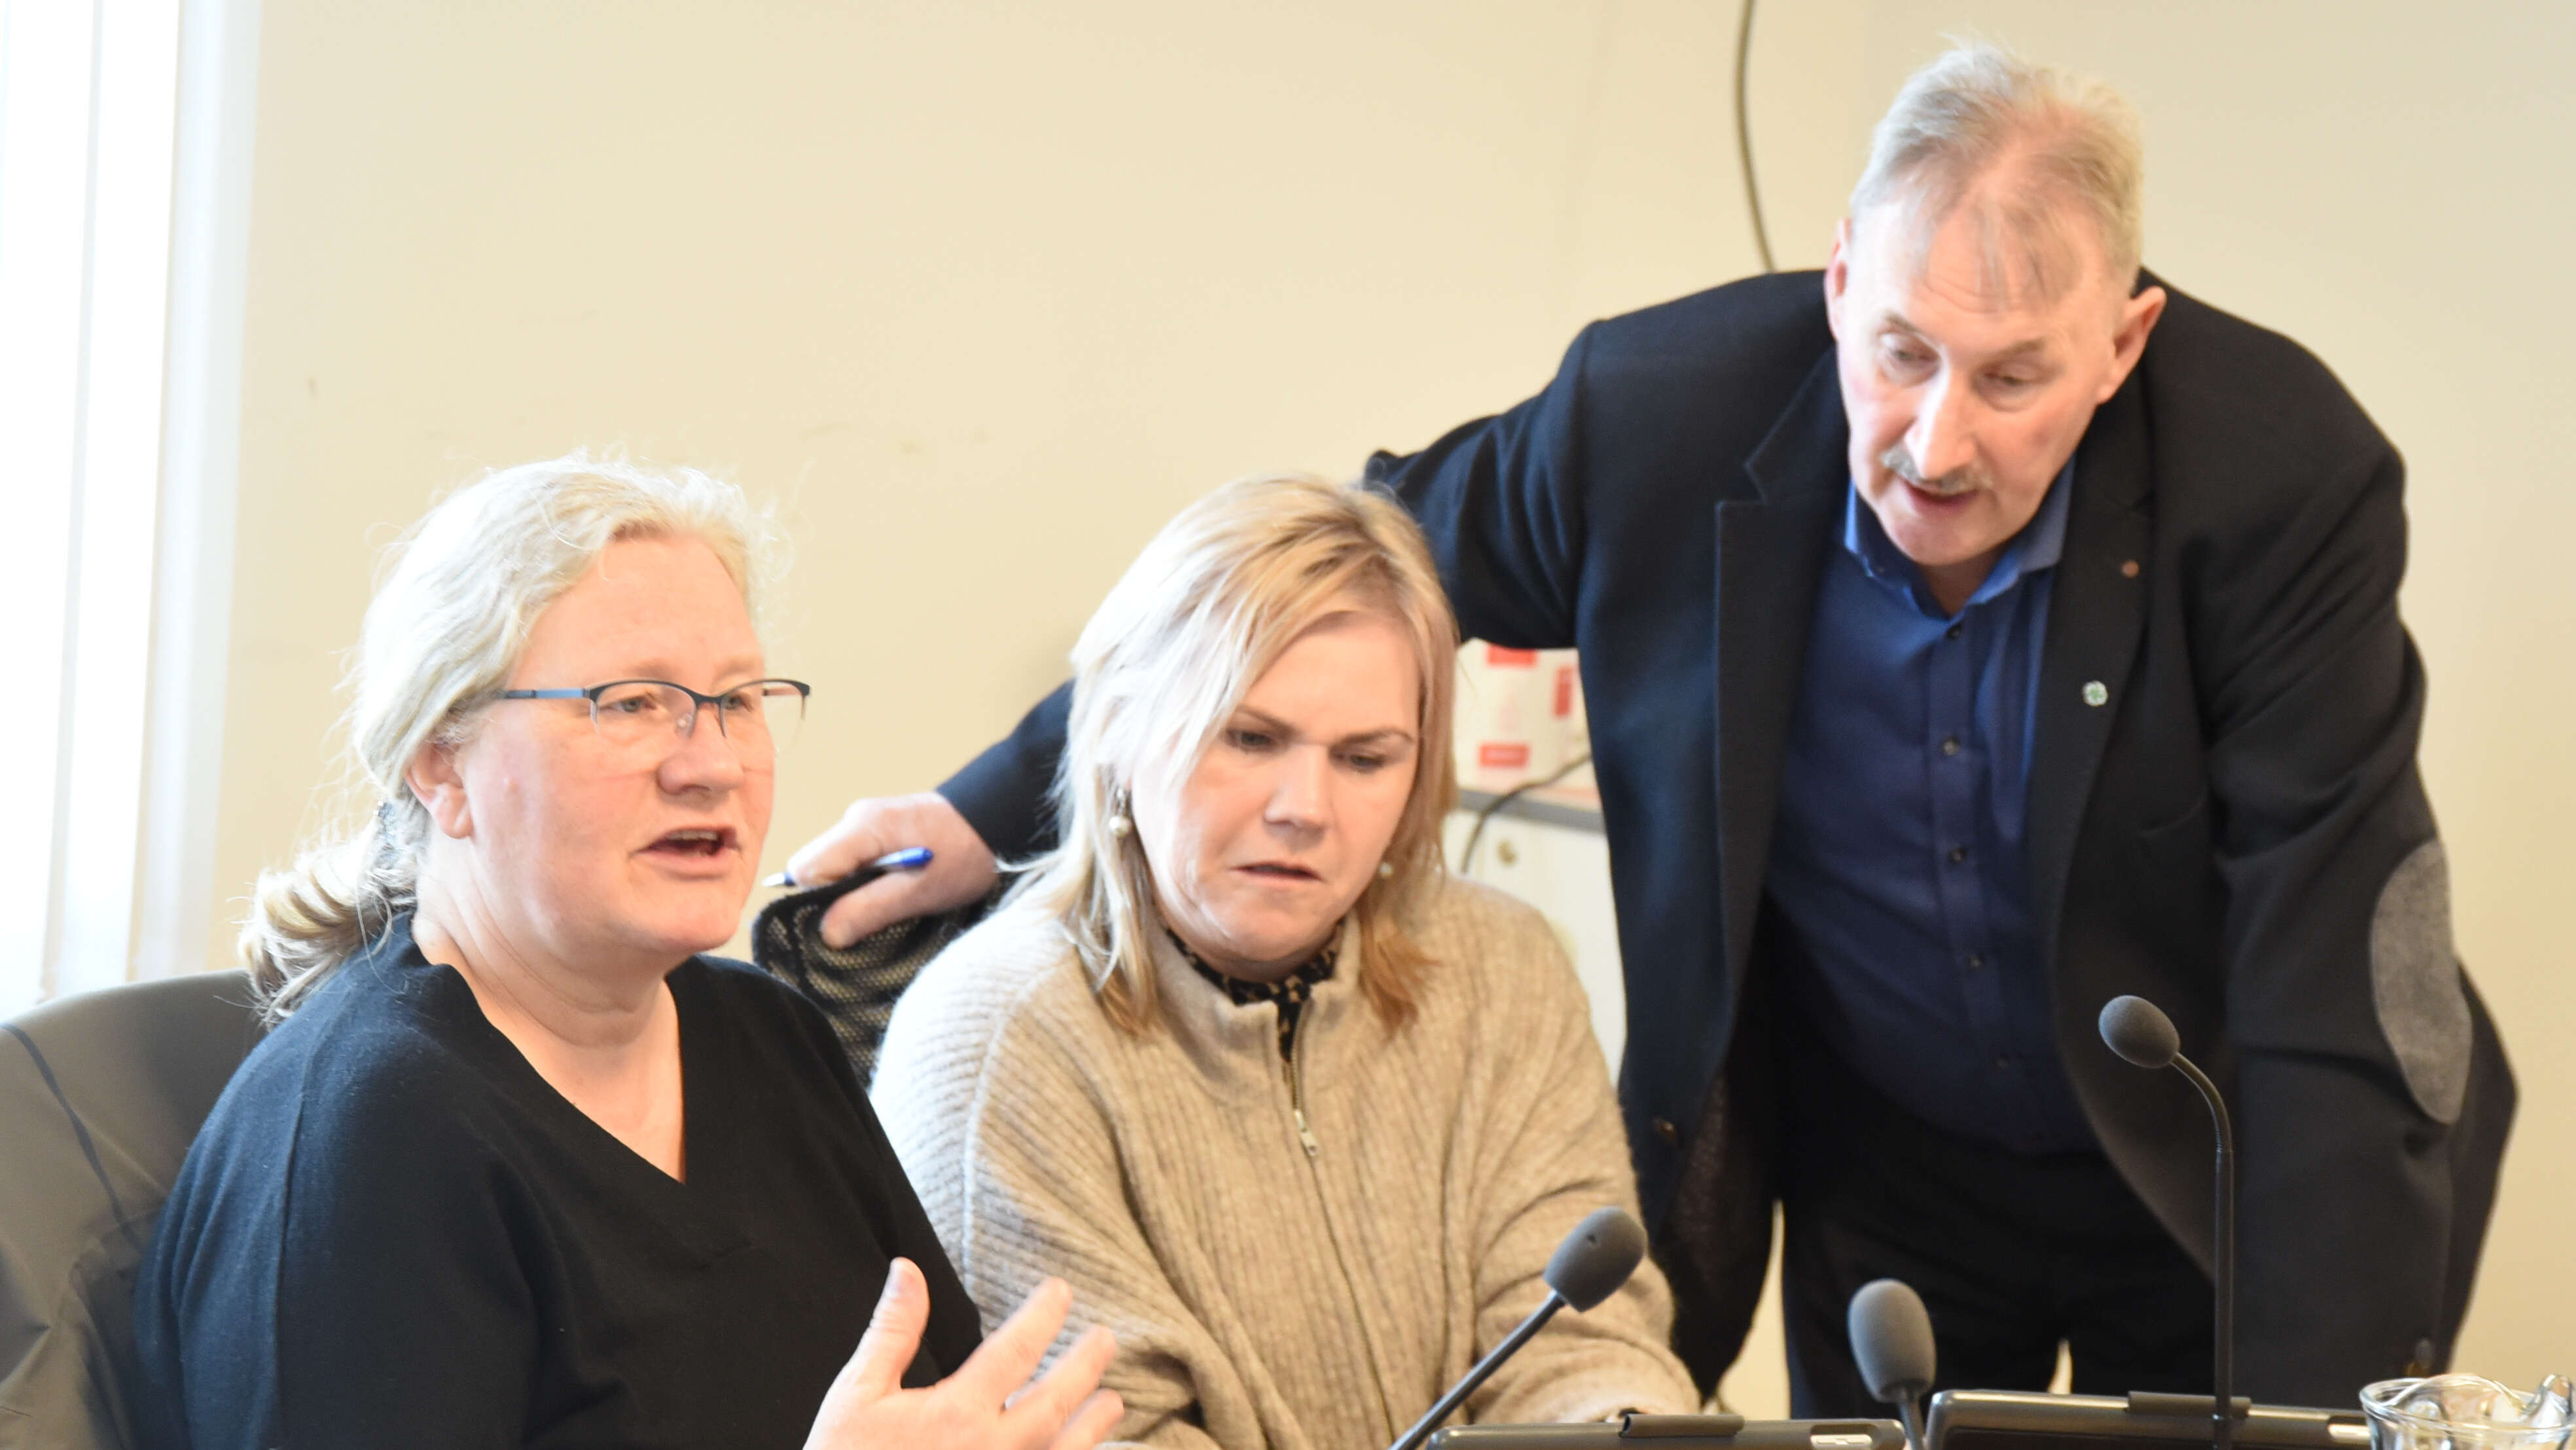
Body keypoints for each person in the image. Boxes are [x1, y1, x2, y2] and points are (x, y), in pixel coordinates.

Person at [789, 46, 2514, 1411]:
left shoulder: (2276, 482)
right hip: (1892, 1163)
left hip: (2225, 1154)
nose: (1935, 441)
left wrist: (2339, 1411)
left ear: (2123, 344)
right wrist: (994, 803)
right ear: (1838, 281)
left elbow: (2338, 974)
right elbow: (1301, 590)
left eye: (2013, 378)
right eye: (1902, 351)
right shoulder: (1661, 421)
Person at [132, 456, 1124, 1450]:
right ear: (443, 766)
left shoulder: (769, 1035)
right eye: (633, 703)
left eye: (739, 700)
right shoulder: (372, 1136)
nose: (713, 765)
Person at [869, 475, 1700, 1450]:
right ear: (1120, 735)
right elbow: (1104, 1433)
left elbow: (1577, 1340)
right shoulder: (991, 1044)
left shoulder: (1504, 969)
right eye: (1251, 738)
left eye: (1365, 758)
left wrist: (1615, 1430)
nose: (1305, 807)